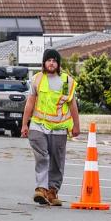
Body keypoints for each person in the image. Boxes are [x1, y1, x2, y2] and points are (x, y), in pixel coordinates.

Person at [21, 49, 80, 206]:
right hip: (38, 125)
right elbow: (30, 103)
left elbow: (72, 104)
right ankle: (41, 188)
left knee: (56, 160)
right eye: (49, 60)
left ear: (58, 64)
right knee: (42, 156)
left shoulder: (66, 81)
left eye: (54, 60)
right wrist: (24, 124)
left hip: (59, 127)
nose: (51, 63)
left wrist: (76, 125)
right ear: (44, 63)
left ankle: (52, 191)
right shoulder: (37, 79)